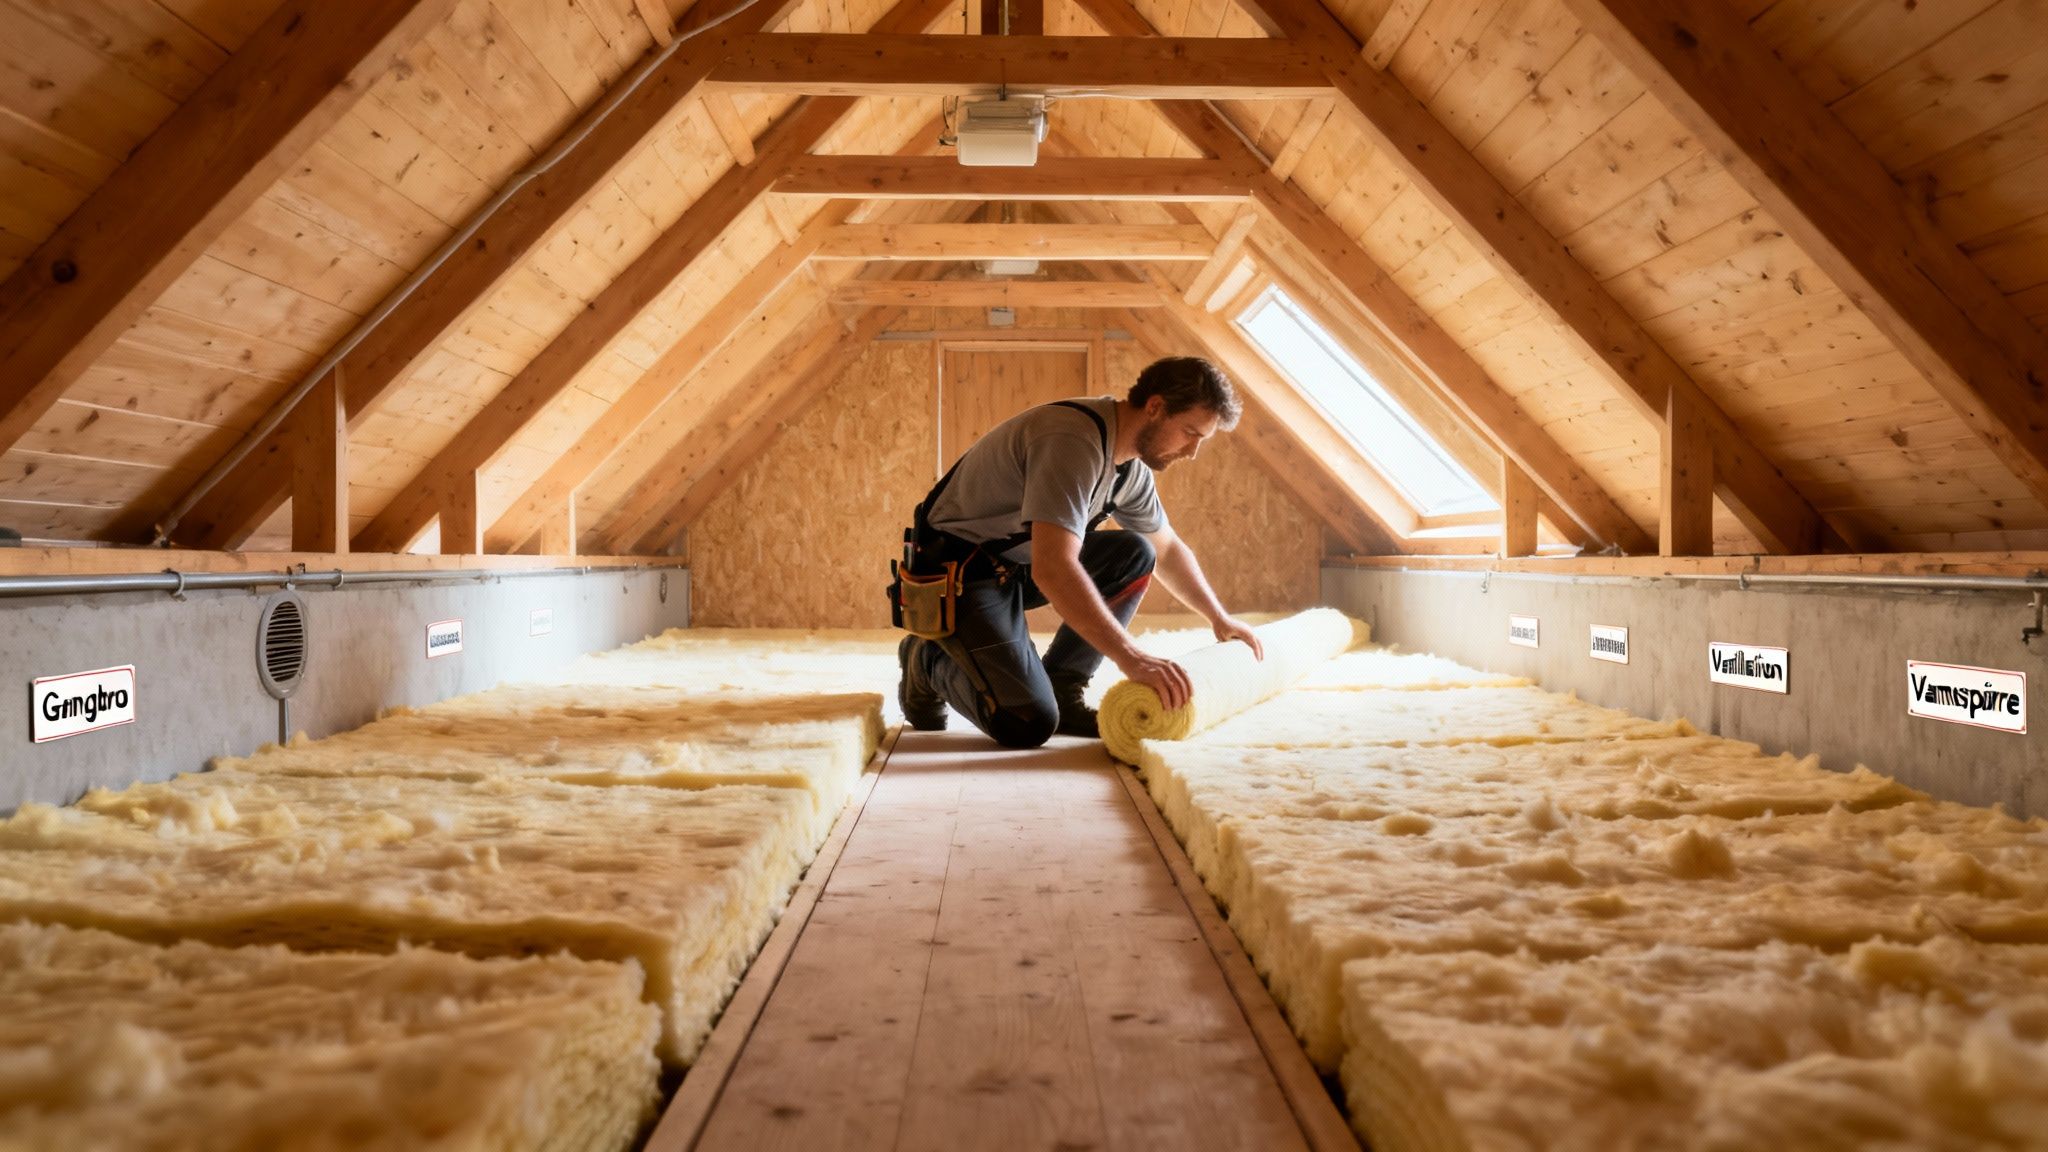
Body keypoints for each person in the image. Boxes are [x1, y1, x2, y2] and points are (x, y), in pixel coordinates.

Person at [895, 355, 1265, 748]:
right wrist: (1131, 657)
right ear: (1155, 407)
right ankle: (927, 659)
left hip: (1016, 565)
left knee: (1135, 553)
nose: (1192, 451)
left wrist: (1219, 617)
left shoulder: (1130, 469)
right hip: (959, 572)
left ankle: (1064, 686)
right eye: (1190, 432)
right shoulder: (1073, 440)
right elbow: (1053, 568)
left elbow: (1168, 549)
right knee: (1026, 722)